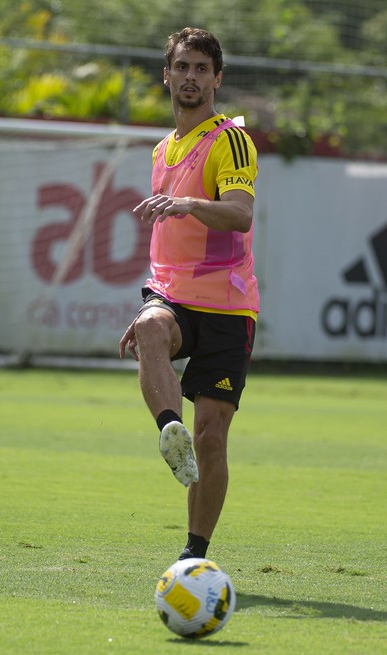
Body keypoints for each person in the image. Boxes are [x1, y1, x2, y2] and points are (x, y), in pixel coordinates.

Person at [118, 27, 259, 561]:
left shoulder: (231, 139)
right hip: (174, 295)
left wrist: (190, 203)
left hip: (228, 305)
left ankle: (194, 554)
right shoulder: (161, 149)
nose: (192, 77)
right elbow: (166, 243)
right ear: (167, 75)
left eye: (203, 69)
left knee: (214, 437)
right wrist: (152, 300)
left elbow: (241, 215)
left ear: (217, 79)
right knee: (151, 328)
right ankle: (167, 430)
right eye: (183, 67)